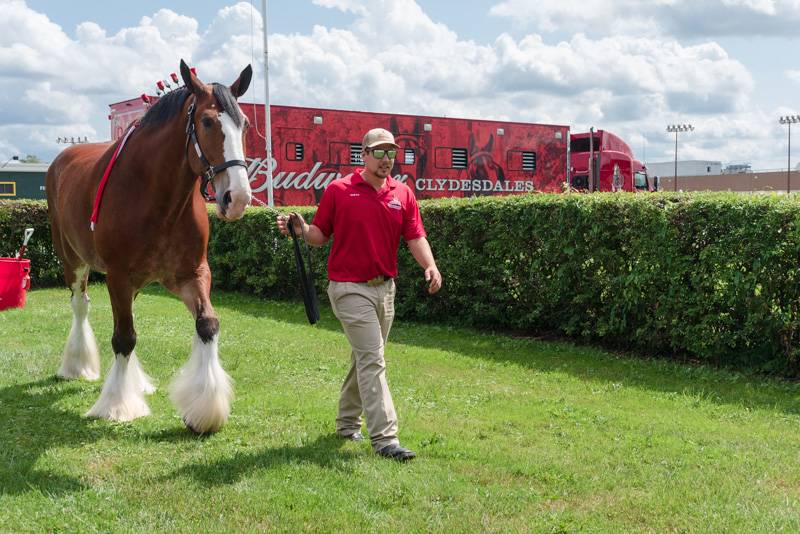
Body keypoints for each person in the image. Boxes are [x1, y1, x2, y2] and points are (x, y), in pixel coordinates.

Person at [276, 127, 442, 461]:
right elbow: (319, 235)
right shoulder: (339, 190)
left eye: (391, 153)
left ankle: (346, 422)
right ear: (363, 155)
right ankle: (385, 439)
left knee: (365, 358)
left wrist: (431, 265)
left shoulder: (403, 193)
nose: (386, 159)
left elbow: (415, 235)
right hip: (349, 289)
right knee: (373, 359)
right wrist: (300, 228)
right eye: (379, 152)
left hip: (386, 290)